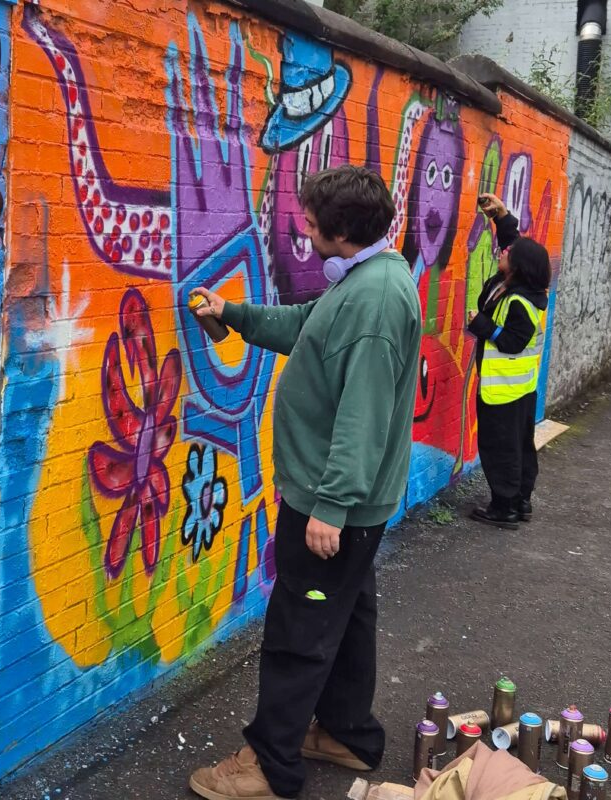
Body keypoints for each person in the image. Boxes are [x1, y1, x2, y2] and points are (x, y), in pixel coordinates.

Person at [186, 165, 422, 800]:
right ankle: (348, 734)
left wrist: (331, 506)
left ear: (341, 230)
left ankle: (270, 765)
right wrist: (232, 313)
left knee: (301, 629)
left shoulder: (373, 301)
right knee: (345, 618)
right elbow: (304, 329)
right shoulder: (368, 278)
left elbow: (362, 414)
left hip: (329, 501)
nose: (304, 228)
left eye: (313, 222)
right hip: (343, 501)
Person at [466, 193, 551, 530]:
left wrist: (480, 323)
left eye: (508, 255)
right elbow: (513, 243)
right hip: (521, 387)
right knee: (519, 446)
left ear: (517, 266)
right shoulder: (520, 284)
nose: (503, 251)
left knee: (501, 448)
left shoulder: (518, 300)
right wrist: (501, 216)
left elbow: (513, 341)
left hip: (503, 388)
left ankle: (504, 507)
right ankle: (520, 500)